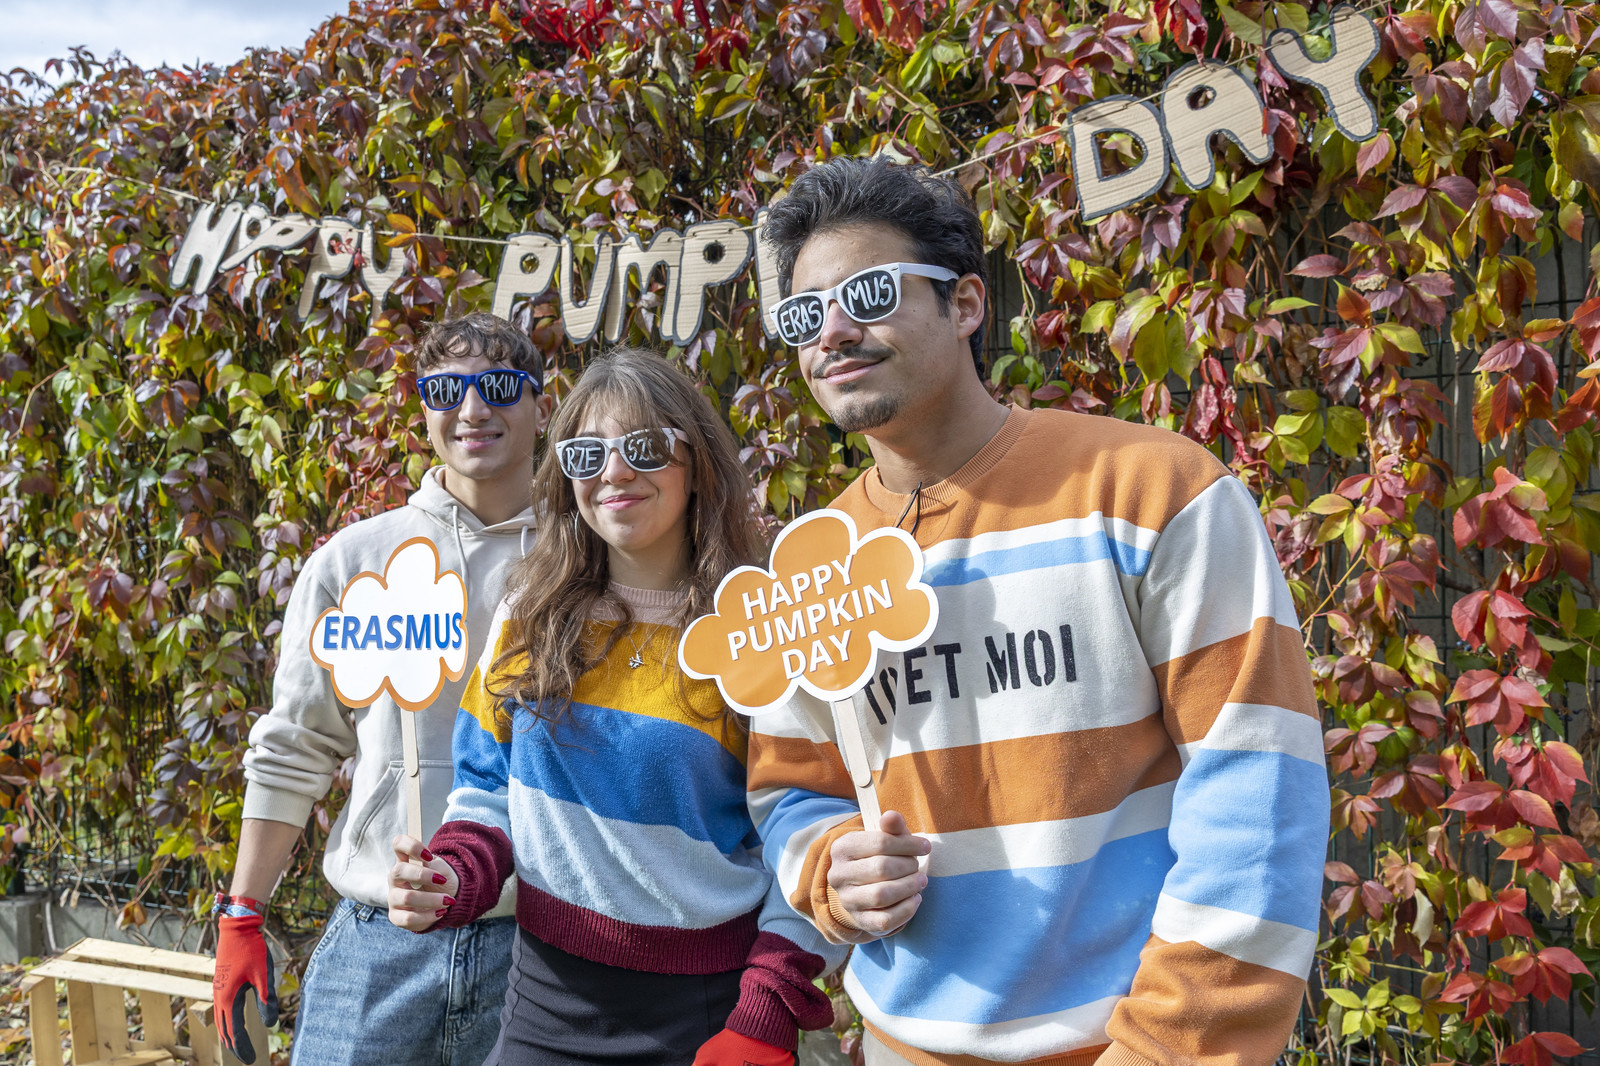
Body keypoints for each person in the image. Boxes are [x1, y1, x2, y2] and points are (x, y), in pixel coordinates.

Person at [749, 157, 1330, 1066]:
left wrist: (1167, 1052)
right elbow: (790, 788)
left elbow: (1259, 798)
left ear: (965, 304)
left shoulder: (1155, 492)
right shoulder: (815, 563)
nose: (832, 332)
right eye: (802, 314)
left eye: (868, 293)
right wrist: (832, 867)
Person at [385, 347, 846, 1066]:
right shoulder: (528, 613)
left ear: (698, 465)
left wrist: (768, 1009)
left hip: (706, 1017)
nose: (615, 472)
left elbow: (805, 834)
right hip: (540, 1007)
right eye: (586, 453)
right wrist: (450, 876)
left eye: (645, 448)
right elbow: (486, 792)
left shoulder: (759, 631)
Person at [215, 312, 553, 1066]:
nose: (473, 409)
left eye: (500, 387)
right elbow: (294, 746)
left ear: (542, 404)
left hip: (541, 949)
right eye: (446, 390)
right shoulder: (355, 561)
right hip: (378, 941)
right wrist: (242, 913)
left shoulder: (586, 559)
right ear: (423, 409)